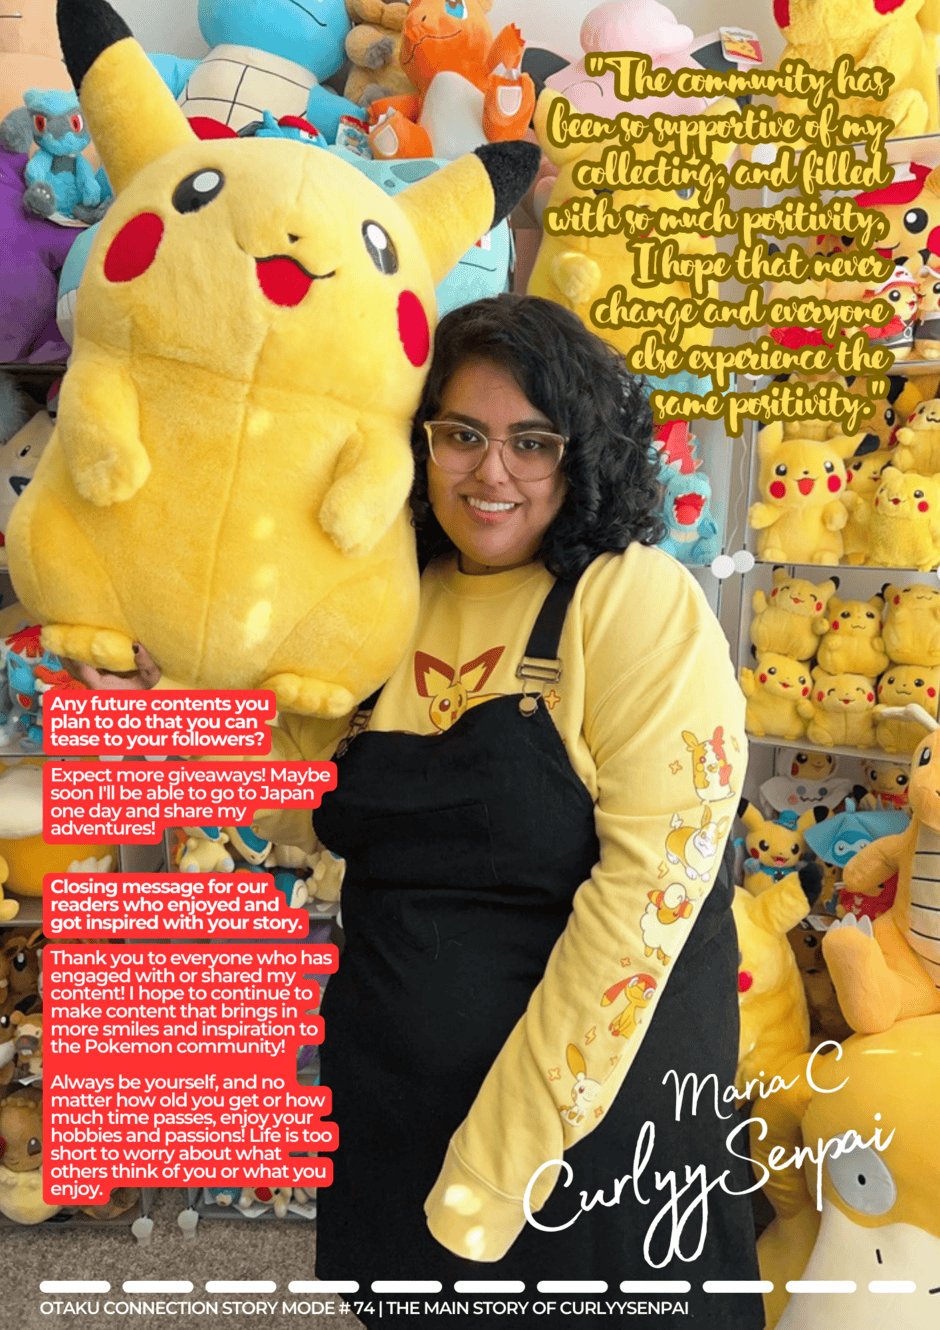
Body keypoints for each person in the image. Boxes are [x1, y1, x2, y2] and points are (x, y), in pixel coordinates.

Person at [77, 294, 761, 1328]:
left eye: (532, 442)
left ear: (582, 452)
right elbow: (317, 799)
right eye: (461, 435)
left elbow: (645, 905)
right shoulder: (390, 596)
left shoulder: (635, 599)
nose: (492, 473)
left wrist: (499, 1164)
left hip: (591, 1126)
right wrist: (172, 710)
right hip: (399, 1097)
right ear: (418, 441)